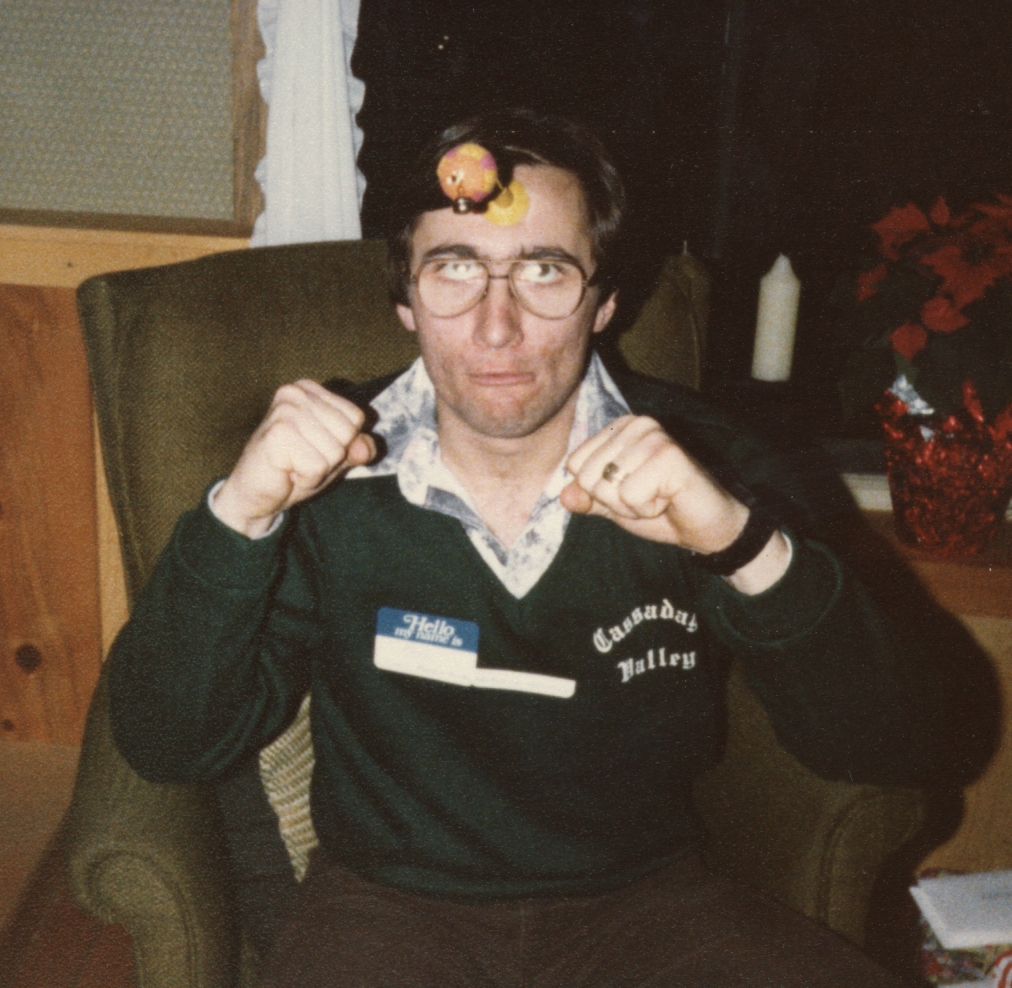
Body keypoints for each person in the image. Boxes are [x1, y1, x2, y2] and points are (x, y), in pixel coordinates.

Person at [107, 110, 990, 986]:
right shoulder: (321, 478)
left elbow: (906, 747)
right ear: (406, 301)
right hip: (384, 906)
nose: (498, 326)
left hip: (648, 904)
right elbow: (167, 743)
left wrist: (738, 544)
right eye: (455, 269)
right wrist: (239, 512)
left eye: (544, 271)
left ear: (605, 301)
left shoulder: (711, 468)